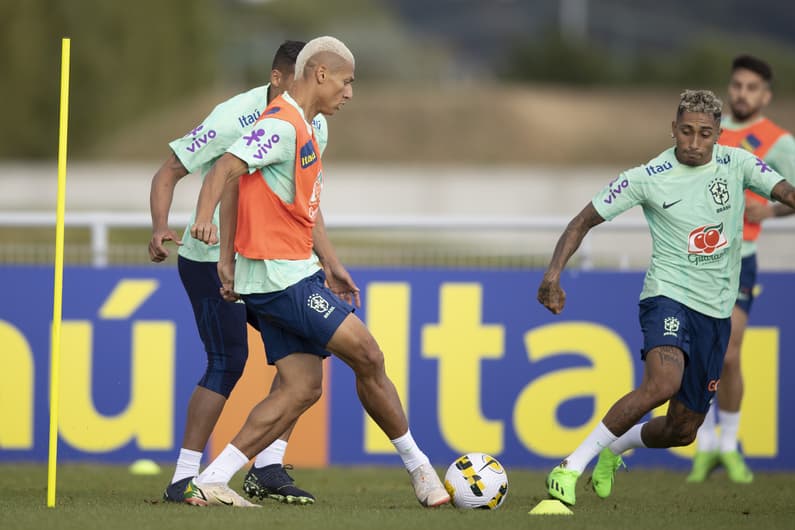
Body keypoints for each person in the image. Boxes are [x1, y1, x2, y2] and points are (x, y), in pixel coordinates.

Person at [183, 36, 450, 508]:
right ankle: (422, 470)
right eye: (347, 82)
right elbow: (225, 168)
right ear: (321, 74)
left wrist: (329, 262)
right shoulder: (283, 123)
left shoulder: (308, 126)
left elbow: (286, 200)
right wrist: (206, 224)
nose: (349, 93)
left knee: (303, 387)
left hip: (294, 271)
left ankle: (213, 478)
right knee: (367, 354)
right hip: (278, 279)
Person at [537, 89, 795, 506]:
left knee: (682, 430)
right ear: (673, 129)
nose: (694, 143)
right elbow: (581, 221)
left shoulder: (739, 163)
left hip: (716, 312)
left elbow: (787, 193)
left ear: (718, 135)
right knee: (662, 383)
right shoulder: (647, 176)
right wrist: (553, 273)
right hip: (667, 295)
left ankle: (615, 449)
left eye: (704, 134)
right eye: (687, 132)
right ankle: (569, 466)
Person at [148, 40, 327, 505]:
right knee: (228, 361)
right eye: (303, 76)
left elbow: (303, 199)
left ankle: (266, 466)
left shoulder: (315, 123)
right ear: (279, 78)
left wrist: (323, 258)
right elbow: (169, 171)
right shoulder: (232, 117)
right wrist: (161, 227)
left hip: (270, 264)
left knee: (302, 359)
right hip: (211, 261)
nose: (314, 88)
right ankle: (184, 478)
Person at [688, 55, 795, 484]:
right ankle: (704, 447)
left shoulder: (778, 141)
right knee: (698, 354)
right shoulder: (707, 131)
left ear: (765, 95)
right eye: (737, 85)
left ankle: (727, 445)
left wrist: (767, 211)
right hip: (697, 258)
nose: (743, 93)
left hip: (740, 258)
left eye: (752, 88)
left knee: (729, 352)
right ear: (729, 88)